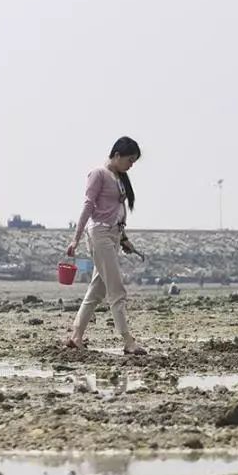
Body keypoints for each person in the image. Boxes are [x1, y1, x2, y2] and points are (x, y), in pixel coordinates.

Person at [63, 136, 147, 355]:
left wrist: (124, 238)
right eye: (130, 159)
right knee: (117, 289)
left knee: (97, 289)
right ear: (117, 155)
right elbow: (88, 207)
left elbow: (116, 212)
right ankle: (128, 341)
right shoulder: (98, 174)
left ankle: (76, 336)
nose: (131, 165)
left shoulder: (118, 178)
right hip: (99, 234)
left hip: (113, 236)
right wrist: (75, 239)